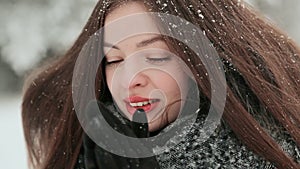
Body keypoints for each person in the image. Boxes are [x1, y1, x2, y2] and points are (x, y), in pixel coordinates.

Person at [22, 0, 300, 168]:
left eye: (154, 56)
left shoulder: (273, 148)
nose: (130, 78)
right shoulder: (90, 150)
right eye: (114, 60)